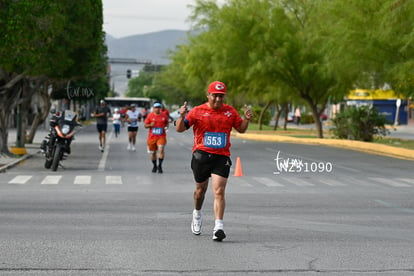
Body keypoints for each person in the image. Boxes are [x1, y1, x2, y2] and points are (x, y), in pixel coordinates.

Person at [175, 81, 253, 242]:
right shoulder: (197, 111)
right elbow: (180, 129)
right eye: (215, 95)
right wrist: (181, 116)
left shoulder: (230, 112)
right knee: (200, 191)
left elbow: (242, 129)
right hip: (201, 155)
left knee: (219, 191)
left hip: (221, 156)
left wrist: (246, 119)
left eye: (221, 96)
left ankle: (218, 227)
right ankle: (197, 213)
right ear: (208, 95)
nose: (218, 99)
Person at [144, 102, 169, 173]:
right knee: (153, 153)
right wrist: (150, 125)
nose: (157, 109)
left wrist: (166, 128)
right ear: (153, 108)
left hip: (161, 136)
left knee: (161, 150)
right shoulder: (150, 116)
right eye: (156, 107)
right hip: (152, 137)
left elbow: (167, 123)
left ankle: (160, 166)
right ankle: (154, 166)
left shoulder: (164, 115)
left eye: (159, 107)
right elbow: (145, 125)